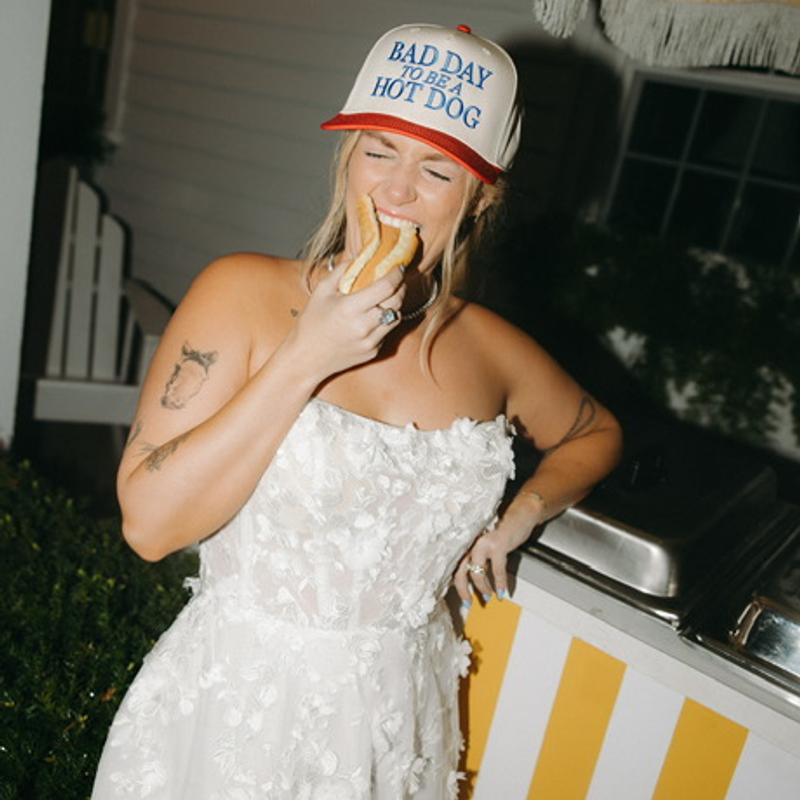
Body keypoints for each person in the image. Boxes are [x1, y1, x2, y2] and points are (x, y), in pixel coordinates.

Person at [91, 22, 621, 800]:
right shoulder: (241, 293)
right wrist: (305, 356)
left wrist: (521, 514)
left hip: (396, 725)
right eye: (379, 152)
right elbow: (149, 526)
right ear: (347, 159)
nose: (396, 191)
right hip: (233, 718)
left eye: (436, 170)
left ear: (481, 197)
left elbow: (595, 432)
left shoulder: (494, 350)